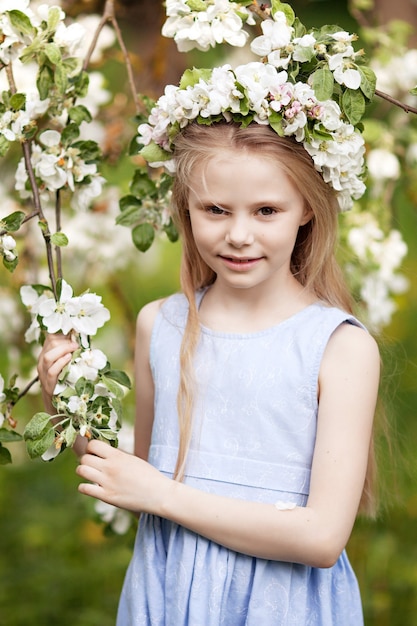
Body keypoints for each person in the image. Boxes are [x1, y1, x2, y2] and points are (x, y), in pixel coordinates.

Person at [37, 86, 381, 624]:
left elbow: (321, 539)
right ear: (186, 208)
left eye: (267, 210)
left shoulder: (339, 346)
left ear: (307, 211)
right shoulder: (162, 324)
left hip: (279, 603)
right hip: (169, 588)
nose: (239, 235)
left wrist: (162, 497)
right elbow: (146, 473)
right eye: (215, 209)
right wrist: (69, 404)